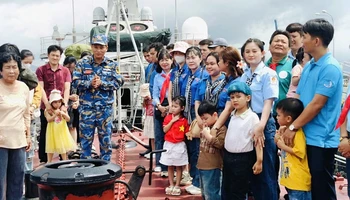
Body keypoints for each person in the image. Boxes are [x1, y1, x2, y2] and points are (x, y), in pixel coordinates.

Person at [283, 19, 342, 200]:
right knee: (306, 184)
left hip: (321, 139)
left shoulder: (330, 67)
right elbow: (299, 98)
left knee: (321, 187)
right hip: (305, 134)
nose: (302, 40)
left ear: (316, 41)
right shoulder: (309, 66)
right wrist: (289, 123)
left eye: (305, 36)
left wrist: (293, 127)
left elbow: (317, 104)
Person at [72, 34, 124, 161]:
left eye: (101, 47)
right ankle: (85, 169)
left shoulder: (112, 65)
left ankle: (105, 170)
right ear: (91, 47)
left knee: (105, 142)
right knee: (85, 142)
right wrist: (89, 83)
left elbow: (119, 82)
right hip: (86, 109)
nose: (98, 50)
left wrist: (103, 84)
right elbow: (75, 82)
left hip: (105, 110)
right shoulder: (82, 64)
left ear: (106, 48)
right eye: (96, 47)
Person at [222, 82, 263, 200]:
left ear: (248, 98)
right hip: (228, 157)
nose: (235, 100)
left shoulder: (252, 117)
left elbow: (258, 140)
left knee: (238, 191)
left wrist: (259, 160)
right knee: (227, 188)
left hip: (243, 159)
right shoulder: (232, 115)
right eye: (232, 97)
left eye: (238, 96)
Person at [0, 52, 31, 199]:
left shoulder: (23, 87)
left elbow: (26, 113)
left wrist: (28, 135)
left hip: (18, 141)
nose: (12, 71)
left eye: (14, 67)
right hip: (1, 142)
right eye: (7, 67)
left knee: (17, 180)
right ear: (1, 70)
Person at [36, 45, 71, 164]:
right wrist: (47, 105)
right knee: (45, 132)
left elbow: (67, 89)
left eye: (57, 56)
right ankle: (44, 159)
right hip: (46, 106)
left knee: (62, 131)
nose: (55, 58)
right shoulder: (41, 70)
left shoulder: (65, 71)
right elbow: (40, 88)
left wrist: (64, 105)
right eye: (53, 55)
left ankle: (63, 158)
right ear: (48, 55)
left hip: (61, 105)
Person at [181, 46, 208, 195]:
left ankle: (199, 182)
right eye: (188, 58)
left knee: (198, 150)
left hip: (197, 113)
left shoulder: (203, 75)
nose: (191, 60)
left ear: (200, 58)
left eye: (193, 57)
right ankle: (194, 178)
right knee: (192, 149)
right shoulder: (188, 75)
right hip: (188, 114)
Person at [274, 98, 311, 200]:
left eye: (279, 115)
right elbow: (277, 141)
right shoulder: (286, 131)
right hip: (290, 179)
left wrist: (283, 147)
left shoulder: (298, 133)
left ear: (288, 118)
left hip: (298, 181)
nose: (276, 117)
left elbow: (300, 152)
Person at [195, 100, 227, 200]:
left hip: (213, 167)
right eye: (202, 119)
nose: (204, 121)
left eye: (206, 118)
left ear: (215, 115)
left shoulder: (221, 128)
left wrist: (208, 136)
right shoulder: (206, 127)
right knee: (205, 193)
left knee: (212, 194)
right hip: (202, 166)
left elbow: (220, 144)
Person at [160, 96, 189, 196]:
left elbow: (187, 132)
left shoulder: (184, 121)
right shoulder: (168, 118)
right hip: (169, 144)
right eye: (172, 106)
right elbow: (164, 130)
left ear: (182, 108)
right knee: (170, 165)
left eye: (176, 106)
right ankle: (171, 184)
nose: (173, 108)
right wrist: (172, 121)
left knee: (179, 166)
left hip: (179, 145)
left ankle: (177, 185)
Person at [152, 49, 174, 175]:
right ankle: (159, 163)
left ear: (172, 60)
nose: (164, 62)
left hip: (172, 107)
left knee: (171, 137)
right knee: (159, 136)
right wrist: (159, 105)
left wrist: (171, 107)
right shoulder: (157, 77)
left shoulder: (175, 75)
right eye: (162, 60)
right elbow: (155, 94)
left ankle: (171, 163)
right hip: (160, 107)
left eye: (167, 59)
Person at [20, 49, 42, 172]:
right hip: (19, 117)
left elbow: (38, 93)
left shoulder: (32, 78)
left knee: (31, 143)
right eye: (25, 62)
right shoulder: (16, 79)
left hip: (32, 116)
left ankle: (28, 171)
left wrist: (33, 106)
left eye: (30, 62)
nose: (27, 65)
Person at [266, 30, 293, 128]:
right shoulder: (262, 67)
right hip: (262, 116)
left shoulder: (294, 66)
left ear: (289, 48)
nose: (279, 44)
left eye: (283, 42)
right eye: (276, 41)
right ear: (269, 46)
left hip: (283, 120)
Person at [45, 89, 77, 163]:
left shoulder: (63, 110)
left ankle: (64, 161)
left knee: (62, 146)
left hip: (61, 132)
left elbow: (68, 119)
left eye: (59, 102)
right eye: (55, 102)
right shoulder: (48, 111)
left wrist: (64, 114)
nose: (58, 104)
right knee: (50, 147)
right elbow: (49, 120)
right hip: (52, 131)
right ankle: (49, 162)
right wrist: (55, 115)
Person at [63, 56, 80, 144]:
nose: (70, 70)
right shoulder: (61, 75)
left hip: (74, 106)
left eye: (73, 68)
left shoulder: (76, 77)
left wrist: (77, 100)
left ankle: (73, 148)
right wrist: (69, 97)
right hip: (63, 104)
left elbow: (80, 92)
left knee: (73, 126)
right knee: (64, 127)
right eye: (69, 67)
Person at [168, 41, 190, 105]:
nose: (178, 56)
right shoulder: (174, 71)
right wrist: (170, 104)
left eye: (180, 53)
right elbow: (170, 90)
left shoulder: (189, 70)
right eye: (176, 53)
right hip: (175, 104)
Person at [139, 83, 155, 160]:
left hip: (153, 118)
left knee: (153, 136)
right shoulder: (147, 100)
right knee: (151, 136)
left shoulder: (154, 99)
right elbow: (145, 106)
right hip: (149, 117)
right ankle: (152, 150)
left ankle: (154, 151)